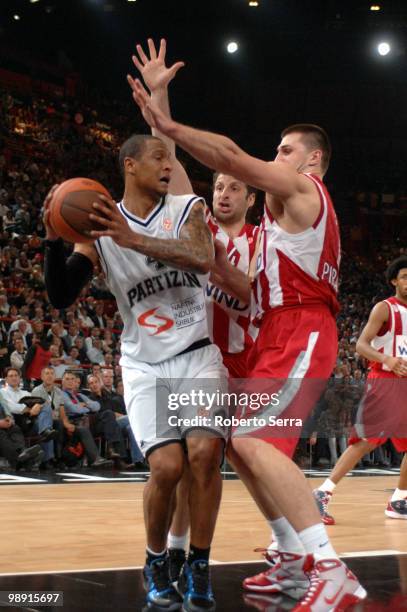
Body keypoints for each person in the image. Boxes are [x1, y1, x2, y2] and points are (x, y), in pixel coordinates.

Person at [130, 63, 367, 609]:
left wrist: (168, 125)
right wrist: (166, 133)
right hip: (262, 340)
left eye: (285, 150)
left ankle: (328, 567)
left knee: (251, 443)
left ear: (312, 160)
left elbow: (234, 158)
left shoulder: (304, 189)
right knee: (236, 445)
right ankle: (289, 554)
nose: (276, 156)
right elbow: (193, 197)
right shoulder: (267, 233)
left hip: (298, 328)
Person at [43, 45, 228, 612]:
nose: (170, 168)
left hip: (198, 353)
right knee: (167, 465)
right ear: (130, 165)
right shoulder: (98, 222)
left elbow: (199, 259)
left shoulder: (187, 208)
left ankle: (198, 564)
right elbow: (58, 295)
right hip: (144, 360)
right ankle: (155, 560)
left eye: (169, 162)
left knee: (203, 455)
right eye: (160, 161)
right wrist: (54, 233)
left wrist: (131, 240)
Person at [131, 39, 260, 584]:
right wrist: (162, 100)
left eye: (234, 186)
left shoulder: (263, 241)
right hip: (194, 355)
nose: (223, 192)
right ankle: (179, 557)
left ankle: (288, 543)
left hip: (248, 362)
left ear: (252, 199)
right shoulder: (195, 220)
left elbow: (254, 295)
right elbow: (172, 167)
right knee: (186, 464)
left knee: (215, 466)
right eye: (219, 185)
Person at [314, 256, 407, 524]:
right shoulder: (384, 308)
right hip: (385, 381)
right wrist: (387, 360)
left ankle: (399, 499)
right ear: (393, 281)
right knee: (365, 441)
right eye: (404, 277)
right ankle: (321, 493)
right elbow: (361, 346)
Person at [0, 367, 56, 466]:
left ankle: (45, 435)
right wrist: (29, 409)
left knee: (47, 412)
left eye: (16, 375)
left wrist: (38, 406)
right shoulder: (2, 392)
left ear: (20, 378)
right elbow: (11, 407)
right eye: (11, 376)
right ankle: (42, 455)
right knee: (47, 426)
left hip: (29, 421)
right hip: (18, 421)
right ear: (6, 379)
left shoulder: (25, 393)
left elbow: (41, 402)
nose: (14, 378)